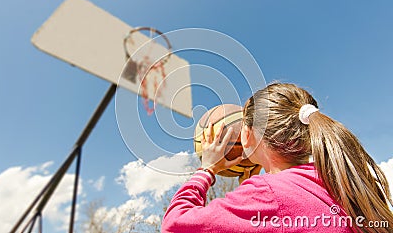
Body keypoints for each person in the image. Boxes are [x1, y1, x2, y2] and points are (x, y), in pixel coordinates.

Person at [162, 83, 393, 232]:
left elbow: (175, 225)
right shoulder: (338, 179)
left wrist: (207, 169)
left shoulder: (267, 195)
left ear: (248, 134)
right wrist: (249, 183)